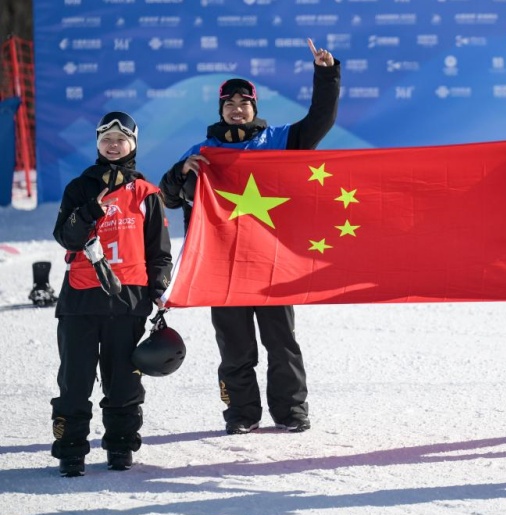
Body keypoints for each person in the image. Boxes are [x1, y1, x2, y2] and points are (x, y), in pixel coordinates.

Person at [159, 39, 339, 435]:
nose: (236, 109)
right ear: (221, 110)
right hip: (221, 266)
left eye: (244, 103)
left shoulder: (278, 141)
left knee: (282, 344)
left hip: (271, 263)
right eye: (229, 104)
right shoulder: (203, 150)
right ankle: (241, 414)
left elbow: (320, 121)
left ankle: (291, 412)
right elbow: (171, 197)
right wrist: (179, 173)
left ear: (254, 109)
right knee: (235, 348)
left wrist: (326, 75)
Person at [51, 111, 173, 477]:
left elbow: (159, 251)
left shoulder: (147, 193)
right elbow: (65, 237)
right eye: (107, 139)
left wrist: (159, 287)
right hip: (81, 299)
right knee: (75, 379)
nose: (114, 146)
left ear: (133, 144)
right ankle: (71, 449)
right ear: (98, 144)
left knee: (124, 379)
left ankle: (120, 446)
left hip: (129, 301)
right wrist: (89, 211)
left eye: (121, 140)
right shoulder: (79, 187)